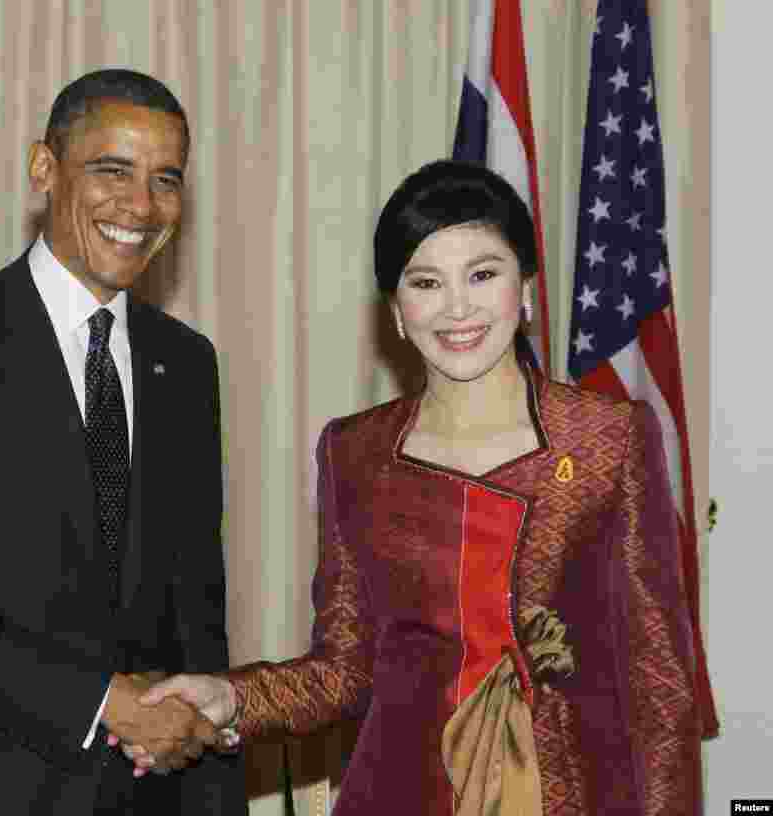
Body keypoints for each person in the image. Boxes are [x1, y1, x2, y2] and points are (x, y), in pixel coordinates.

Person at [127, 160, 704, 814]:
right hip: (401, 793)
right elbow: (345, 670)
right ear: (397, 313)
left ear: (527, 290)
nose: (457, 307)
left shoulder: (608, 437)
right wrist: (230, 698)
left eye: (483, 274)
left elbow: (660, 686)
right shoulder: (356, 451)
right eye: (426, 282)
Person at [0, 69, 245, 815]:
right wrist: (101, 702)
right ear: (44, 169)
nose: (141, 205)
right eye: (112, 170)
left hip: (143, 798)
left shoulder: (186, 364)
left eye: (166, 179)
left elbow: (197, 613)